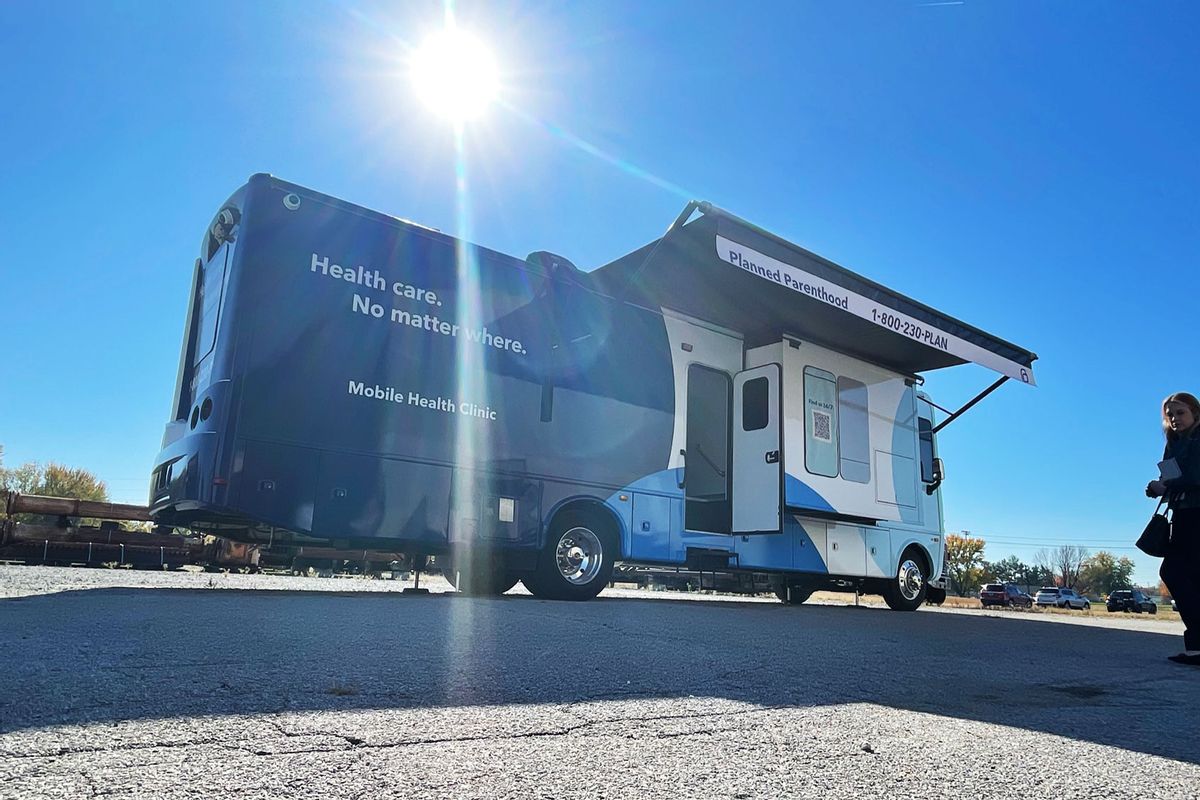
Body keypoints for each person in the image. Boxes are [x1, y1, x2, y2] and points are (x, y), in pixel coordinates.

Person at [1147, 392, 1200, 665]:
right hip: (1182, 514)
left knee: (1174, 571)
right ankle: (1195, 646)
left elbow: (1194, 478)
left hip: (1196, 515)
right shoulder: (1174, 444)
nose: (1175, 419)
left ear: (1194, 413)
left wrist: (1165, 486)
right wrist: (1156, 488)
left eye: (1180, 413)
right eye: (1170, 414)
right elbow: (1171, 478)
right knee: (1189, 576)